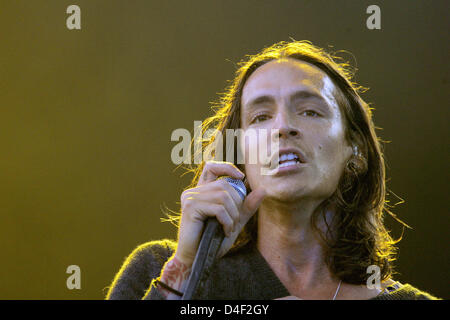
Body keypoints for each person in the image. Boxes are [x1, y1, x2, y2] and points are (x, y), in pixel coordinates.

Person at [105, 40, 439, 300]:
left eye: (309, 111)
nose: (282, 127)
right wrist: (186, 270)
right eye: (260, 117)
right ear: (239, 156)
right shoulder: (158, 268)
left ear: (357, 152)